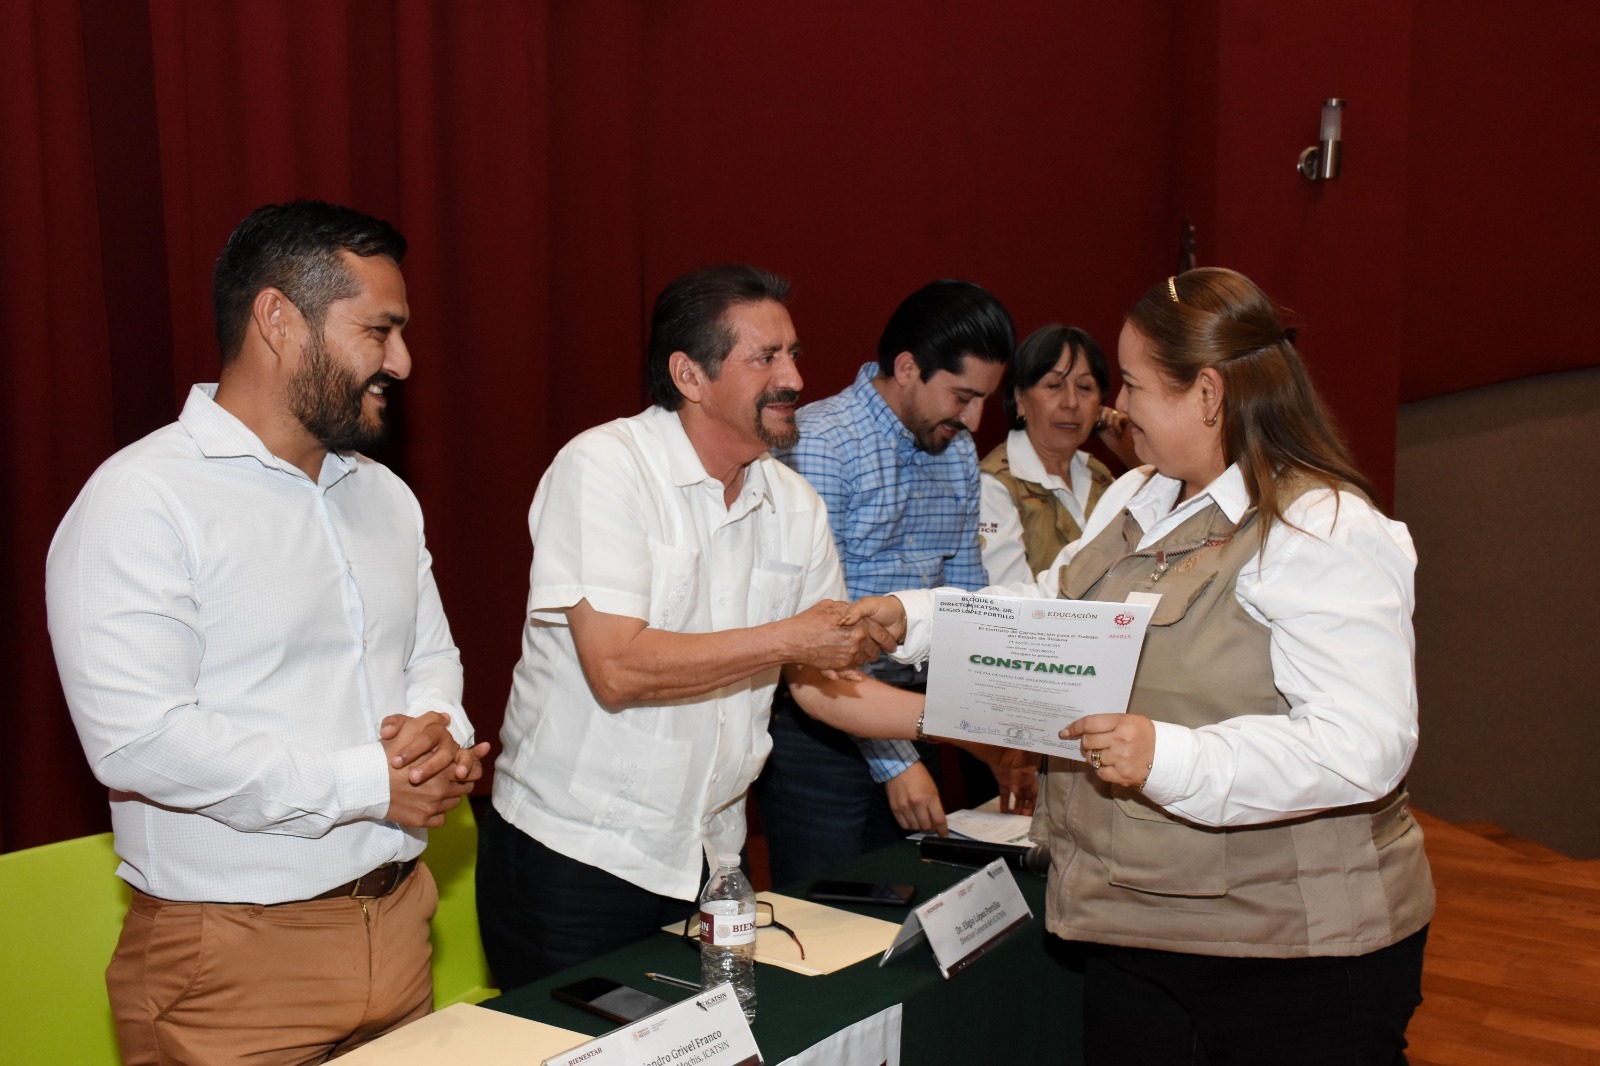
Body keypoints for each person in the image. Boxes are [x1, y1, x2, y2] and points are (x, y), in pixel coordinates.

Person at [853, 267, 1435, 1064]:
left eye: (1129, 383)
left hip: (1291, 956)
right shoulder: (1141, 495)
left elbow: (1363, 745)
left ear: (1207, 395)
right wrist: (912, 621)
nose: (1114, 407)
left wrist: (1170, 755)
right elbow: (1050, 611)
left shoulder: (1322, 527)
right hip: (1140, 925)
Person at [46, 200, 489, 1064]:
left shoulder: (383, 495)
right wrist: (367, 781)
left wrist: (442, 732)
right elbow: (138, 739)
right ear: (279, 320)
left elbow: (428, 654)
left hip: (400, 923)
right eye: (380, 330)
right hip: (232, 964)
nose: (402, 361)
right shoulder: (142, 499)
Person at [478, 265, 938, 989]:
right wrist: (790, 639)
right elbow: (619, 668)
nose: (793, 378)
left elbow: (824, 688)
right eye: (765, 359)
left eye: (795, 355)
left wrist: (976, 722)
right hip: (574, 857)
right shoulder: (604, 469)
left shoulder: (795, 504)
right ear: (689, 375)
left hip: (709, 859)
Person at [756, 279, 1021, 886]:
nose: (975, 419)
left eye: (984, 399)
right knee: (824, 917)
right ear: (907, 368)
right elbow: (825, 628)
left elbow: (968, 607)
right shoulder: (819, 444)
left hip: (915, 716)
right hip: (820, 734)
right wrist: (894, 762)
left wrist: (992, 731)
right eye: (962, 396)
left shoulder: (954, 451)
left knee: (916, 907)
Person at [978, 324, 1136, 584]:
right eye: (1054, 385)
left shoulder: (1101, 476)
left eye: (1085, 387)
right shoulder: (994, 484)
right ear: (1019, 399)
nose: (1071, 402)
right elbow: (1010, 600)